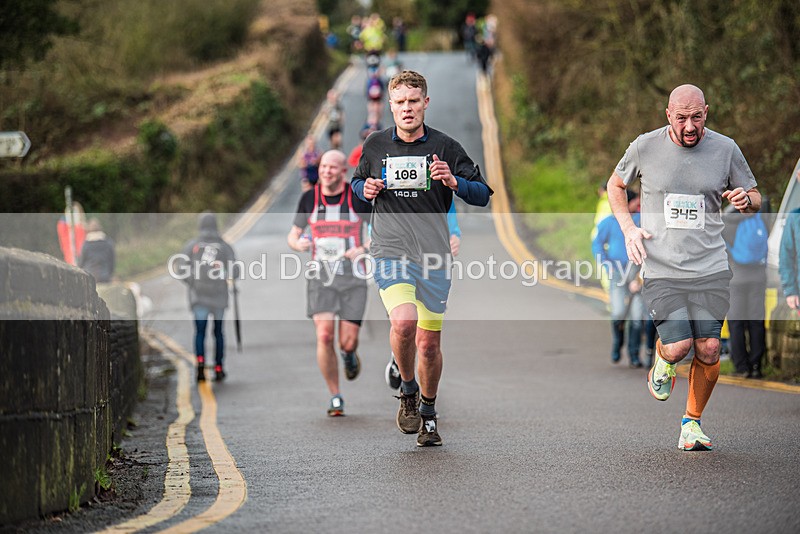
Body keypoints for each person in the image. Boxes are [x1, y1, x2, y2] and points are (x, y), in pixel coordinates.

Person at [607, 84, 760, 451]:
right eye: (681, 118)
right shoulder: (646, 145)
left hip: (710, 266)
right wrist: (628, 229)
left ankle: (691, 423)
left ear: (706, 111)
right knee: (679, 347)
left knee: (708, 348)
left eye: (696, 117)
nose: (689, 126)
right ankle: (663, 357)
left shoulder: (726, 149)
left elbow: (754, 196)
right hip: (662, 267)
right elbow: (616, 184)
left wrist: (746, 200)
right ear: (668, 116)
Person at [351, 70, 492, 447]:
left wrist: (453, 182)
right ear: (391, 107)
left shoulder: (446, 148)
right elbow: (356, 193)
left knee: (429, 345)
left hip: (434, 256)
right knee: (404, 321)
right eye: (399, 103)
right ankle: (408, 391)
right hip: (390, 249)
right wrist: (364, 189)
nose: (407, 108)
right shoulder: (375, 146)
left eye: (414, 101)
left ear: (425, 103)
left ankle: (429, 413)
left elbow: (482, 194)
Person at [288, 150, 372, 417]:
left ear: (343, 171)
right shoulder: (309, 198)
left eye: (333, 168)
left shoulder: (357, 198)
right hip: (320, 277)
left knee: (347, 342)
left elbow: (380, 232)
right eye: (323, 166)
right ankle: (335, 395)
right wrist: (298, 243)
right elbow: (293, 235)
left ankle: (348, 354)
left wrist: (362, 248)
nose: (326, 171)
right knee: (324, 335)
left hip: (353, 278)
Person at [179, 212, 239, 382]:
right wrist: (224, 277)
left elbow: (181, 269)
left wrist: (194, 282)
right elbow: (235, 270)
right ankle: (219, 367)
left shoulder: (192, 245)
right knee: (218, 332)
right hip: (219, 296)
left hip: (199, 297)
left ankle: (200, 363)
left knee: (200, 332)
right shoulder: (224, 246)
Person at [592, 190, 644, 367]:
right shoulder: (609, 222)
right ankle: (617, 344)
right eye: (635, 202)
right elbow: (597, 244)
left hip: (637, 275)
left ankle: (634, 354)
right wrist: (606, 263)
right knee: (618, 313)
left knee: (637, 317)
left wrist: (640, 276)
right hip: (617, 275)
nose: (638, 205)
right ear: (626, 203)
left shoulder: (641, 221)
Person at [723, 205, 768, 378]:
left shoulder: (727, 222)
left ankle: (741, 366)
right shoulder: (761, 218)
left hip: (735, 279)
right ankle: (756, 365)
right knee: (756, 321)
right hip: (758, 277)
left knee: (736, 322)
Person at [78, 218, 115, 283]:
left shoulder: (86, 244)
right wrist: (110, 273)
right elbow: (112, 261)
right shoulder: (108, 242)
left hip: (89, 276)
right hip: (105, 276)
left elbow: (81, 262)